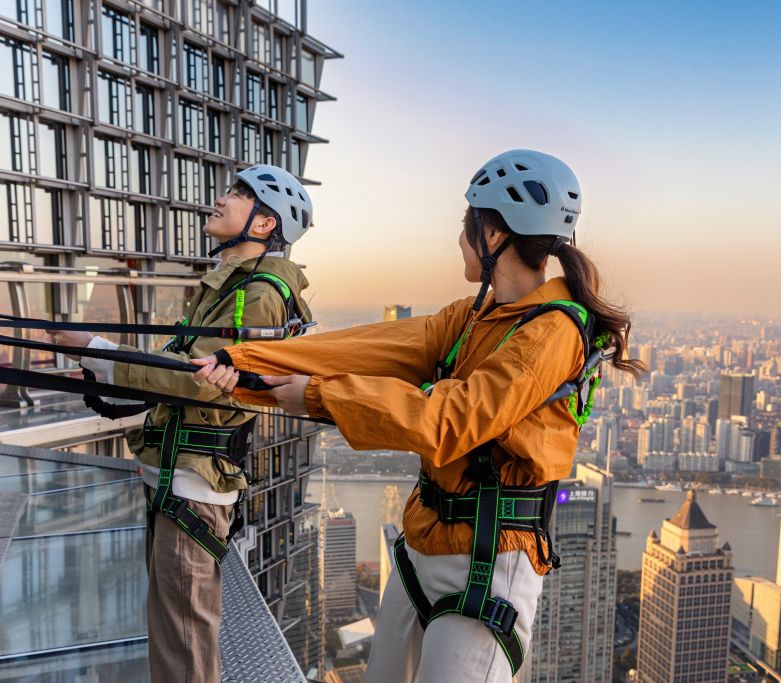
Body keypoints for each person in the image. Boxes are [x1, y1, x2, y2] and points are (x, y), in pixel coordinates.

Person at [192, 149, 643, 682]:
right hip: (423, 542)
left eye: (465, 224)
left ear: (493, 234)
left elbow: (453, 418)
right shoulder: (475, 314)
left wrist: (319, 397)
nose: (458, 238)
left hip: (487, 563)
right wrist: (240, 360)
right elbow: (370, 347)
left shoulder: (552, 334)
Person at [50, 164, 314, 683]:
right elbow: (187, 367)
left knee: (184, 640)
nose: (220, 199)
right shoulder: (232, 287)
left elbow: (198, 379)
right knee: (176, 631)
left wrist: (99, 352)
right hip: (182, 475)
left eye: (238, 194)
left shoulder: (256, 294)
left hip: (192, 482)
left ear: (263, 225)